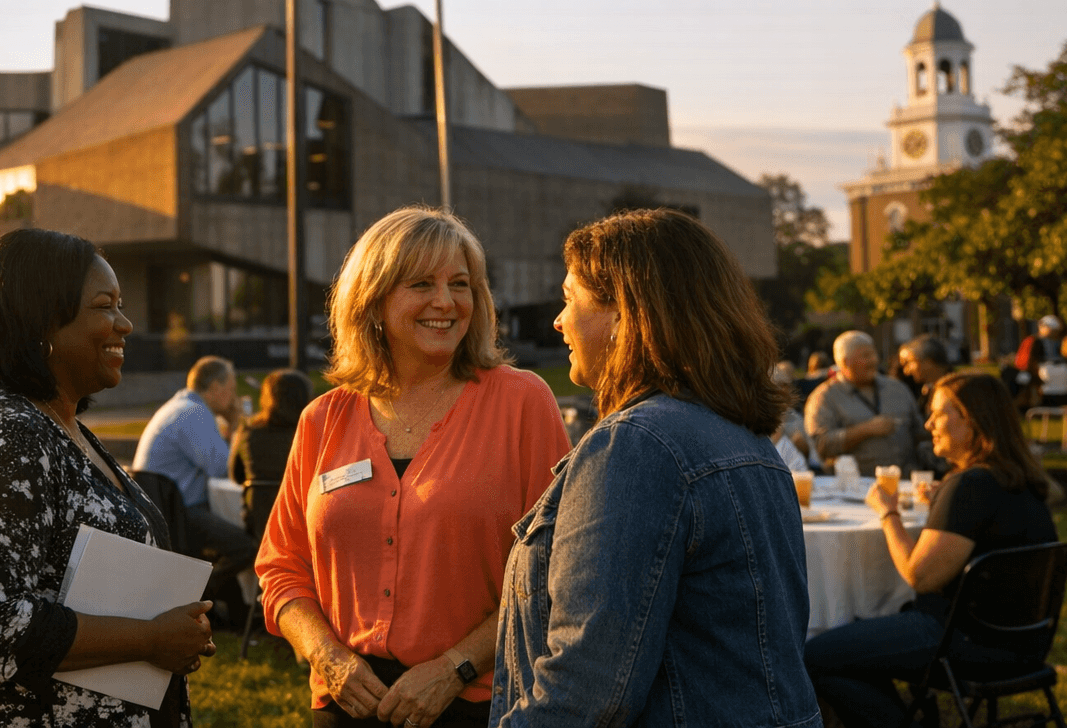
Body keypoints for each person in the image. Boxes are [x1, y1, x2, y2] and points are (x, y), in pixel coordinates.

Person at [491, 209, 817, 727]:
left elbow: (586, 689)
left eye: (570, 299)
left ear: (625, 316)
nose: (558, 320)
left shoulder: (636, 448)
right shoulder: (748, 440)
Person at [0, 228, 214, 728]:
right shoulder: (4, 433)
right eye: (104, 306)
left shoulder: (59, 426)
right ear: (38, 321)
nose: (124, 323)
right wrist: (149, 637)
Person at [257, 206, 570, 728]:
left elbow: (552, 573)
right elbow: (280, 569)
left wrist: (455, 668)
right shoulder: (323, 419)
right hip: (345, 704)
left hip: (475, 704)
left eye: (461, 284)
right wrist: (328, 658)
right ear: (374, 300)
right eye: (421, 283)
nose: (445, 302)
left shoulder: (522, 403)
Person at [804, 373, 1058, 728]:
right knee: (854, 649)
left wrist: (887, 510)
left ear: (970, 421)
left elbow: (919, 575)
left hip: (966, 643)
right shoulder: (1016, 480)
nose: (928, 424)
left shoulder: (971, 485)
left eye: (938, 414)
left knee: (814, 656)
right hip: (1025, 642)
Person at [134, 355, 257, 621]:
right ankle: (191, 598)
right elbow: (222, 467)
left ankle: (233, 611)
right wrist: (235, 422)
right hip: (180, 513)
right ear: (214, 387)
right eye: (231, 389)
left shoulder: (180, 407)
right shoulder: (193, 414)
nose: (234, 396)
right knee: (247, 547)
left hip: (165, 507)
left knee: (231, 534)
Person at [806, 330, 934, 475]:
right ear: (844, 362)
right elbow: (821, 446)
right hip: (854, 490)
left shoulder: (898, 388)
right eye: (865, 356)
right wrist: (865, 430)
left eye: (874, 354)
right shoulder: (824, 397)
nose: (873, 360)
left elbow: (920, 433)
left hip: (905, 483)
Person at [228, 368, 312, 539]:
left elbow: (236, 476)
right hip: (305, 522)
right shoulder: (312, 433)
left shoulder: (248, 431)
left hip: (260, 523)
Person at [898, 333, 952, 413]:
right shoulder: (925, 390)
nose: (906, 371)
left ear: (928, 361)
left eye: (909, 363)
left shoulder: (954, 391)